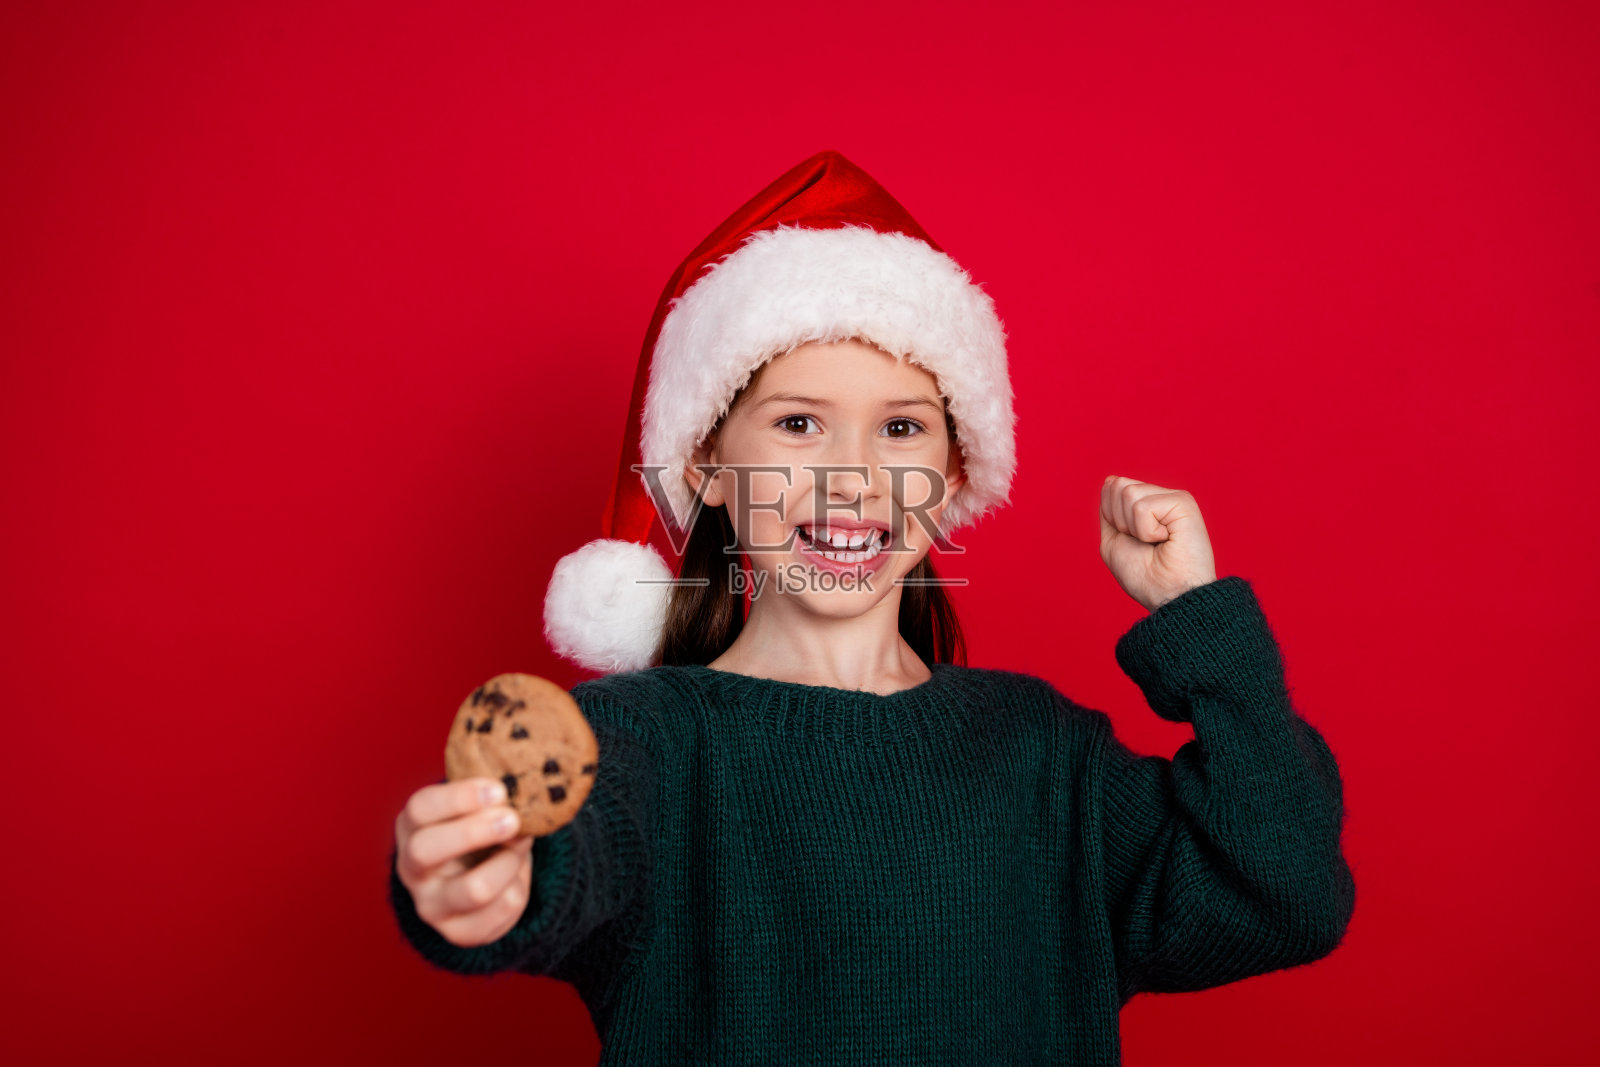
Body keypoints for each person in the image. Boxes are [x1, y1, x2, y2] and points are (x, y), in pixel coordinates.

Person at [387, 150, 1356, 1064]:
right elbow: (552, 869)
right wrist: (486, 881)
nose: (852, 478)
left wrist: (1196, 618)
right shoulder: (639, 744)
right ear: (708, 470)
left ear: (951, 475)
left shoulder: (1046, 756)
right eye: (799, 422)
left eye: (900, 428)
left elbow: (1284, 892)